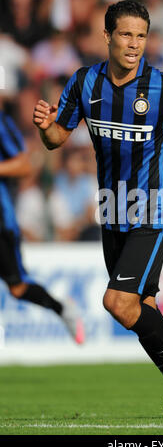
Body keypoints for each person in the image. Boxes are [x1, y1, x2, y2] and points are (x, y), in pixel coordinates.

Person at [33, 0, 163, 418]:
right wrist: (46, 127)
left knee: (117, 302)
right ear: (107, 36)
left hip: (154, 209)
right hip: (112, 210)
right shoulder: (84, 83)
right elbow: (57, 139)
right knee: (140, 309)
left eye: (141, 35)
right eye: (125, 34)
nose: (134, 43)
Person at [0, 99, 85, 344]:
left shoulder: (2, 123)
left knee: (18, 288)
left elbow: (24, 164)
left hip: (1, 221)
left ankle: (62, 308)